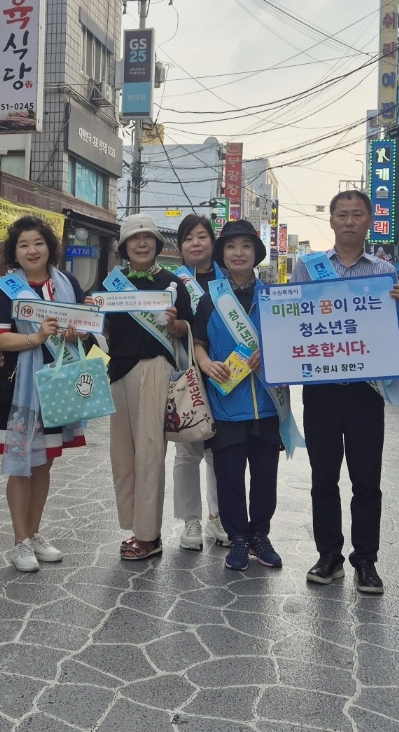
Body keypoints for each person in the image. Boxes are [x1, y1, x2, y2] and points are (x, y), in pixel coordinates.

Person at [290, 190, 399, 594]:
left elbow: (387, 328)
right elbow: (296, 318)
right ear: (332, 221)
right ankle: (329, 556)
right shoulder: (309, 266)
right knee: (323, 478)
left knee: (366, 480)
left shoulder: (384, 269)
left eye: (358, 214)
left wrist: (396, 308)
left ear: (370, 220)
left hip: (365, 391)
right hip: (321, 391)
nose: (350, 221)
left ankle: (366, 561)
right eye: (342, 215)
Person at [0, 216, 90, 572]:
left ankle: (34, 534)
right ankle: (19, 542)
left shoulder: (69, 284)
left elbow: (84, 332)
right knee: (21, 464)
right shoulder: (4, 289)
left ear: (50, 247)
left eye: (39, 243)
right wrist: (35, 338)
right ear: (14, 252)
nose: (32, 250)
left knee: (44, 461)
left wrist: (78, 333)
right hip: (22, 389)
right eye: (24, 245)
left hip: (57, 386)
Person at [191, 221, 284, 571]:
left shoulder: (274, 297)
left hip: (266, 403)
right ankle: (238, 539)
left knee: (265, 477)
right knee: (229, 477)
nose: (239, 253)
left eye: (246, 246)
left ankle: (260, 535)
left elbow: (289, 343)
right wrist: (206, 363)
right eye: (231, 247)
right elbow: (198, 342)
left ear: (256, 254)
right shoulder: (210, 299)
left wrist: (273, 352)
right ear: (222, 255)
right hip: (226, 402)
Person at [104, 214, 194, 561]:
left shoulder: (173, 283)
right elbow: (106, 328)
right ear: (124, 246)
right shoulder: (113, 282)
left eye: (148, 238)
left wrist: (176, 325)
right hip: (119, 372)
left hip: (156, 370)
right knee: (122, 455)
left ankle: (149, 535)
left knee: (151, 452)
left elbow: (190, 328)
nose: (141, 243)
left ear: (158, 244)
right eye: (134, 238)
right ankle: (134, 526)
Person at [172, 214, 230, 551]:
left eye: (202, 236)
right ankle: (191, 521)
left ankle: (217, 518)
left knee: (220, 453)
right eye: (189, 238)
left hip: (226, 374)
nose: (196, 243)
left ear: (212, 241)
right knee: (188, 450)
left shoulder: (230, 279)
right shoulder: (173, 282)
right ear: (181, 247)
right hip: (187, 373)